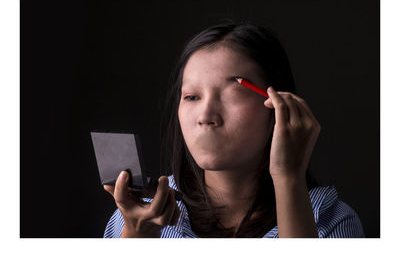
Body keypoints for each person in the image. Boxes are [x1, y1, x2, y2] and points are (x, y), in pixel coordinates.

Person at [103, 21, 365, 238]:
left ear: (278, 105)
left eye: (234, 93)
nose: (206, 116)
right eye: (192, 97)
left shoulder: (330, 221)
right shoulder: (136, 214)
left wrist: (288, 177)